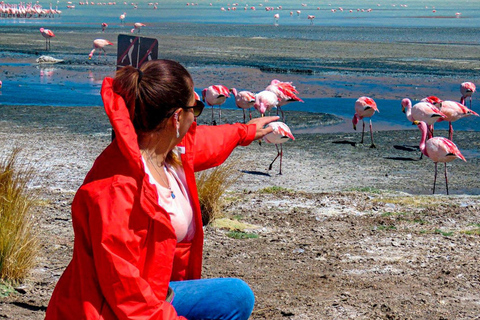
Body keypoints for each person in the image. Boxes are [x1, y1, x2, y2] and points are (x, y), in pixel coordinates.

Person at [45, 59, 279, 320]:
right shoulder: (117, 189)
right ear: (177, 117)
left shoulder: (167, 154)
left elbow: (206, 142)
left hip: (153, 291)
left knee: (235, 295)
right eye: (197, 107)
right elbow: (126, 294)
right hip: (105, 310)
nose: (198, 115)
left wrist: (244, 132)